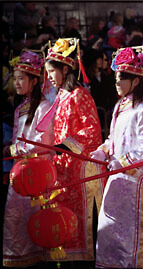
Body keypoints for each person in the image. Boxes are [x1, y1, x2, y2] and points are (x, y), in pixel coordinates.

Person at [91, 46, 143, 268]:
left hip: (138, 181)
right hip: (118, 178)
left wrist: (119, 163)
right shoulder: (120, 106)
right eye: (115, 78)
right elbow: (113, 139)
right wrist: (103, 150)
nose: (117, 82)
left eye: (121, 78)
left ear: (135, 81)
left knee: (136, 233)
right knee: (113, 229)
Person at [44, 38, 105, 261]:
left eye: (52, 71)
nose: (49, 77)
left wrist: (64, 146)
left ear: (66, 68)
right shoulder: (60, 96)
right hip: (65, 167)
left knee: (85, 222)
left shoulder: (79, 94)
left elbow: (92, 129)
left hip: (82, 170)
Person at [3, 50, 54, 267]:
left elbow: (42, 142)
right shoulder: (20, 108)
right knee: (15, 217)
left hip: (37, 172)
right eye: (15, 79)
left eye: (21, 78)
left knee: (36, 218)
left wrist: (16, 149)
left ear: (34, 80)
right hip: (20, 171)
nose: (17, 83)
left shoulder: (43, 106)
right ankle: (19, 257)